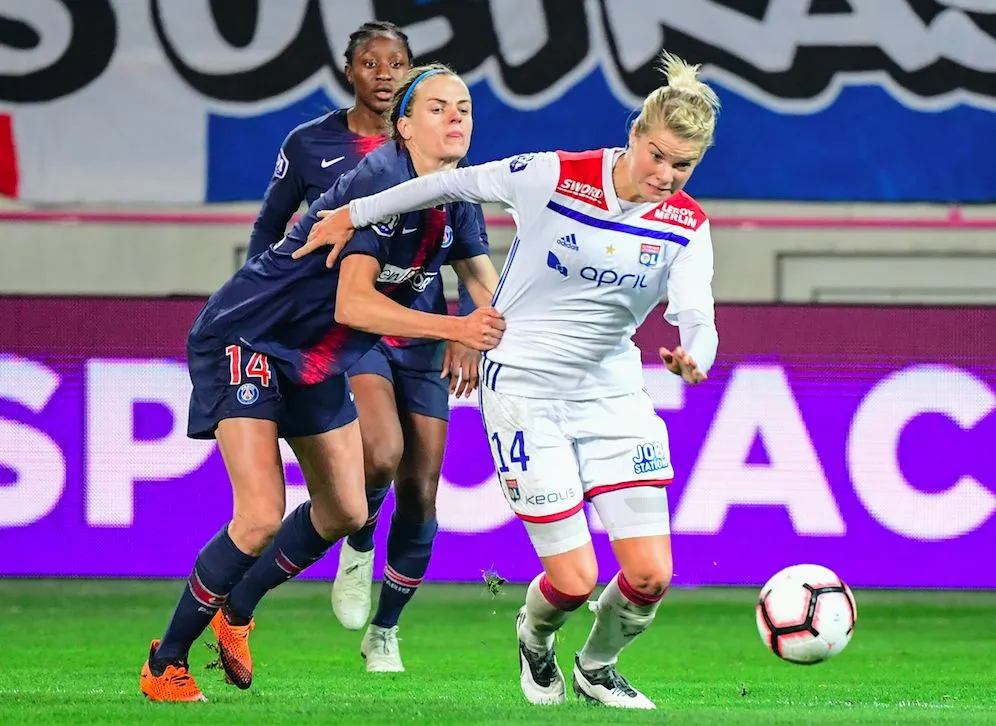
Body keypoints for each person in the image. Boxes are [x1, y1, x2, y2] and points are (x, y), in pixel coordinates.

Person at [294, 51, 721, 710]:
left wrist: (697, 355)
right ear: (634, 136)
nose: (665, 175)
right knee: (574, 581)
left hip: (611, 395)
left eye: (682, 166)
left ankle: (597, 667)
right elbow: (445, 186)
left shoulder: (687, 226)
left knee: (650, 576)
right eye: (657, 155)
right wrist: (353, 215)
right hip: (523, 387)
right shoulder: (556, 174)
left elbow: (698, 314)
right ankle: (535, 635)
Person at [138, 63, 504, 702]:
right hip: (249, 336)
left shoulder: (454, 194)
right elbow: (354, 307)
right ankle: (165, 662)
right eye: (439, 107)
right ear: (405, 125)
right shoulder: (381, 181)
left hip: (313, 357)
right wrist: (455, 332)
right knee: (257, 516)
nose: (456, 117)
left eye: (465, 108)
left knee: (346, 510)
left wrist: (532, 333)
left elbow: (484, 285)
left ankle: (237, 611)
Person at [248, 21, 487, 672]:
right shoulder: (327, 154)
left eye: (398, 63)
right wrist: (264, 306)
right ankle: (357, 539)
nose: (385, 73)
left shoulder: (450, 172)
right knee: (379, 454)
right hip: (350, 328)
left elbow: (473, 264)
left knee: (423, 489)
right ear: (350, 71)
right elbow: (274, 230)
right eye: (372, 62)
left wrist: (478, 321)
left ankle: (385, 628)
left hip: (421, 330)